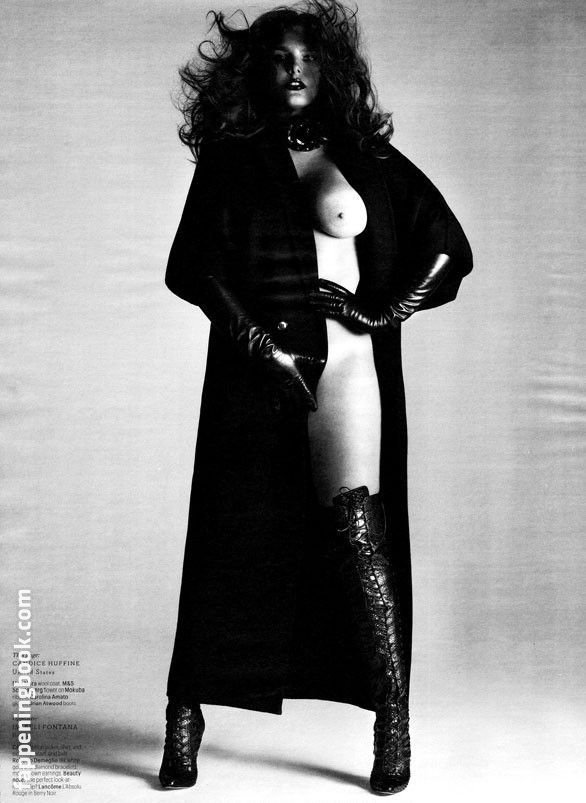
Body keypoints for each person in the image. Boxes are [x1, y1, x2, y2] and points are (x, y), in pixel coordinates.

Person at [159, 0, 472, 795]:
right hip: (258, 367)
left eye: (307, 57)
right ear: (254, 70)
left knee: (360, 534)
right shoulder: (232, 157)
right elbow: (191, 268)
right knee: (229, 536)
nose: (294, 69)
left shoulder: (366, 156)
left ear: (328, 67)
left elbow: (447, 245)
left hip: (351, 368)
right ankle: (184, 714)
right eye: (278, 57)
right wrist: (259, 345)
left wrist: (383, 312)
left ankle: (392, 717)